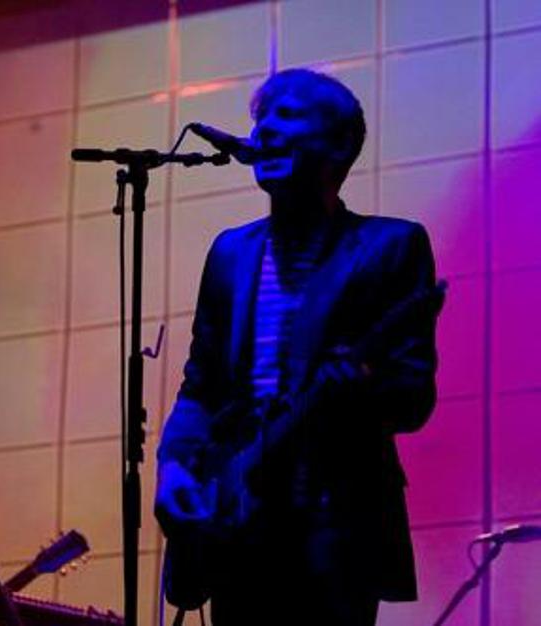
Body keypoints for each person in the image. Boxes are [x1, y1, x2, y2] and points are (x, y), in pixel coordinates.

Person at [154, 68, 439, 626]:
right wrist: (174, 467)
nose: (264, 131)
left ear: (339, 146)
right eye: (262, 120)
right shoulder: (230, 253)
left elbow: (413, 398)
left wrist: (360, 390)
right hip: (236, 520)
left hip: (335, 521)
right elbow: (201, 387)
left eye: (286, 117)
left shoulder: (391, 245)